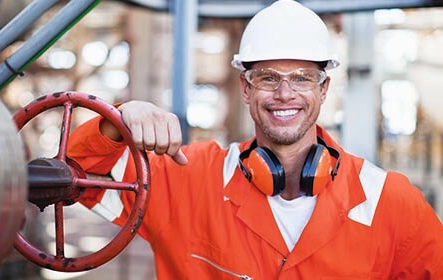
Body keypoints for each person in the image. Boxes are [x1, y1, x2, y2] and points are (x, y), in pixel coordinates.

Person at [67, 0, 443, 278]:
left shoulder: (389, 202)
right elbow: (71, 177)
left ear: (323, 88)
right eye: (267, 77)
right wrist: (117, 123)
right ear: (246, 88)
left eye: (301, 77)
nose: (284, 93)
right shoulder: (186, 180)